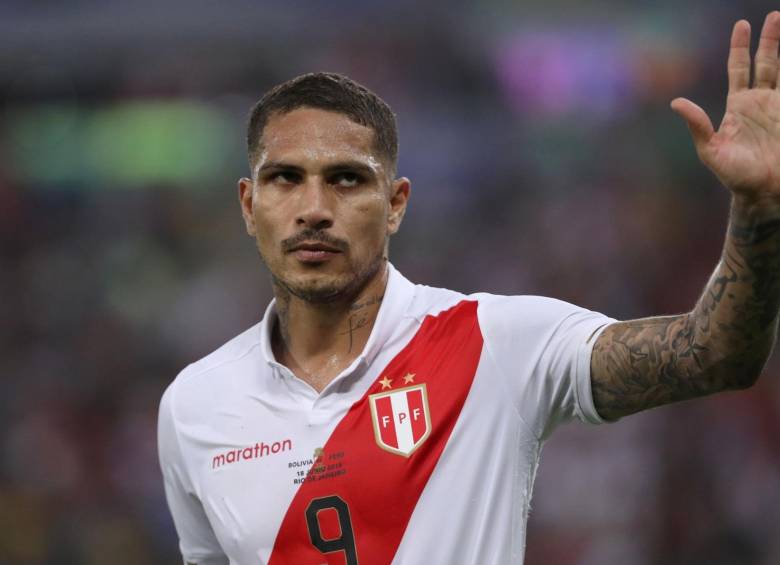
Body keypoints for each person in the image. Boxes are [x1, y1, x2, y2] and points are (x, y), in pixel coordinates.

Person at [158, 12, 780, 564]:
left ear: (396, 204)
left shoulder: (495, 343)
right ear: (248, 204)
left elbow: (714, 353)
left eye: (347, 180)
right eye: (285, 179)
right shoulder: (194, 407)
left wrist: (759, 207)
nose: (314, 208)